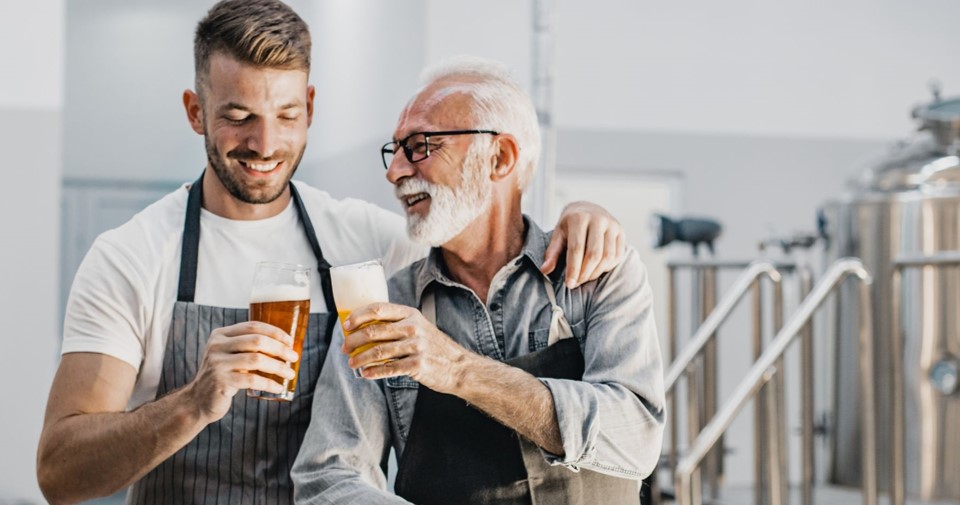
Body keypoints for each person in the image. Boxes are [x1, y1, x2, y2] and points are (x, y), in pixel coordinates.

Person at [35, 2, 627, 505]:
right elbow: (59, 475)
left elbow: (479, 228)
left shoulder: (368, 245)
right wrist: (192, 404)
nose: (265, 144)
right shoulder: (131, 257)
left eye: (287, 116)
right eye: (238, 118)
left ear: (311, 108)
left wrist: (584, 216)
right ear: (196, 112)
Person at [292, 56, 665, 505]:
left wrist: (456, 369)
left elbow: (636, 439)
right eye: (395, 150)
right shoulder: (385, 307)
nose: (395, 173)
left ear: (500, 157)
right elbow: (328, 478)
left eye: (422, 145)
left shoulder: (596, 272)